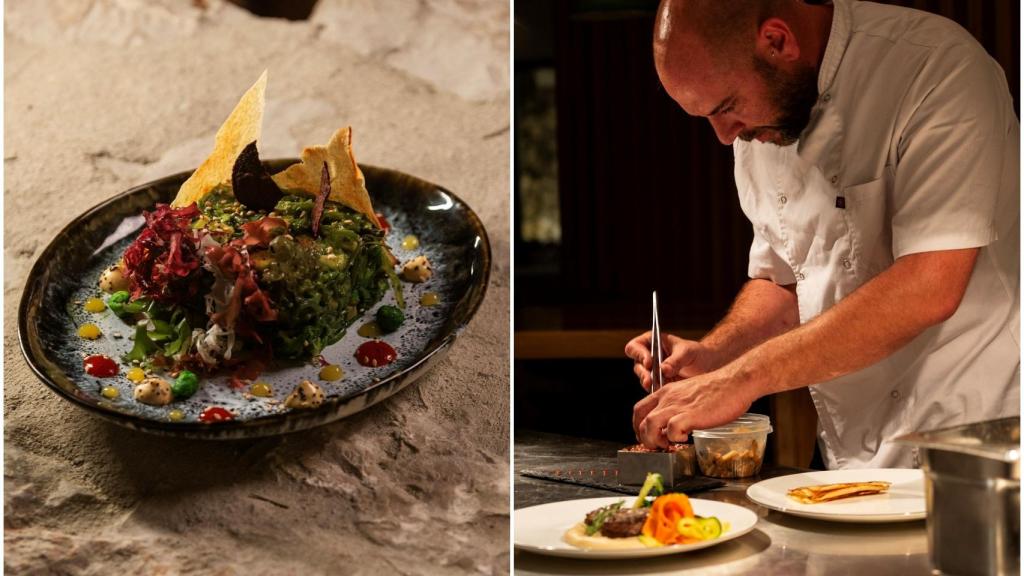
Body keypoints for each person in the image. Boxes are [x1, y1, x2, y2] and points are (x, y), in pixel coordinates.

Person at [627, 0, 1019, 469]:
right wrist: (715, 356)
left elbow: (929, 286)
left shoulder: (936, 68)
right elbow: (786, 280)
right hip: (850, 455)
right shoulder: (758, 122)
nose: (725, 136)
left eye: (726, 107)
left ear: (777, 40)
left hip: (973, 441)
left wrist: (738, 380)